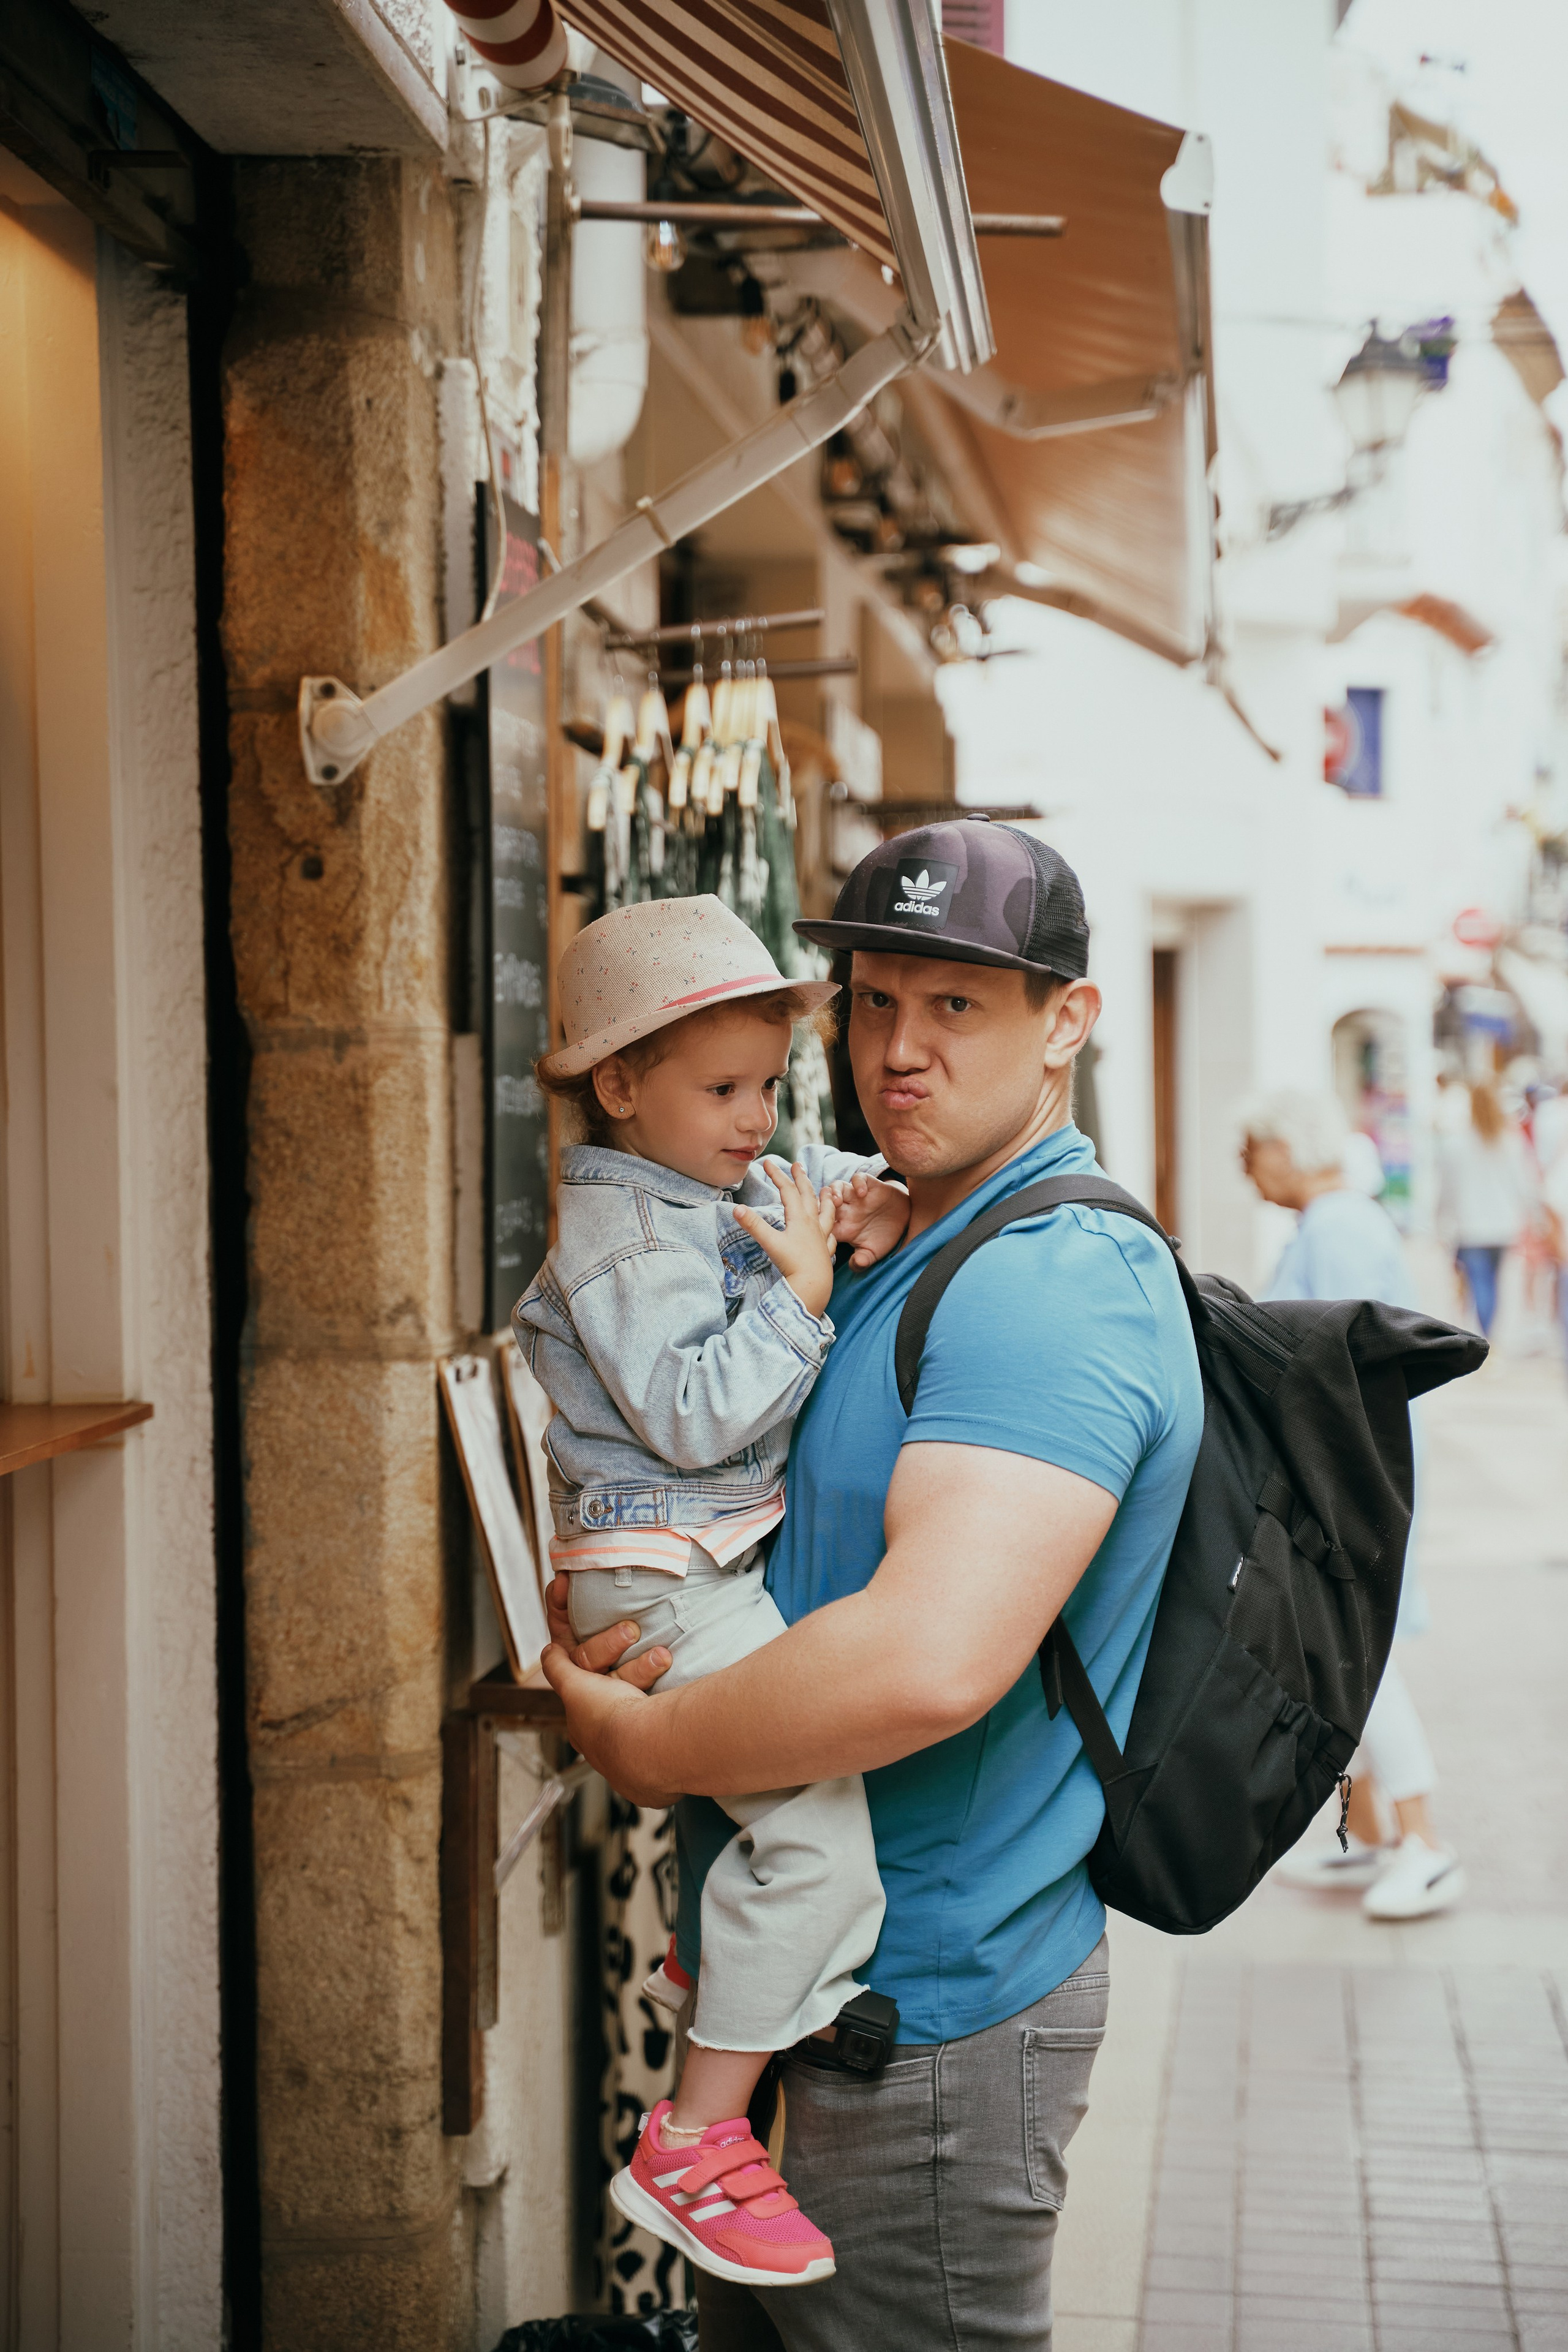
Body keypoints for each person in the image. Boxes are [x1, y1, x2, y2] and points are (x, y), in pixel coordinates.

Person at [542, 818, 1204, 2352]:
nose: (896, 1050)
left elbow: (925, 1662)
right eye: (872, 1000)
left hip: (926, 2023)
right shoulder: (918, 1218)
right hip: (822, 1996)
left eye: (955, 1005)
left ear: (1066, 1022)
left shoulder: (1047, 1283)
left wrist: (643, 1748)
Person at [516, 895, 914, 2291]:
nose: (756, 1118)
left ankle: (715, 1976)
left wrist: (861, 1202)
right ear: (618, 1083)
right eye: (722, 1088)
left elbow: (803, 1193)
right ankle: (693, 2134)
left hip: (698, 1566)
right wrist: (800, 1297)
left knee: (805, 1822)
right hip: (660, 1574)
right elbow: (690, 1412)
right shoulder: (610, 1229)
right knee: (818, 1850)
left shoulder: (689, 1185)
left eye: (766, 1083)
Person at [1238, 1088, 1464, 1921]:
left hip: (1350, 1470)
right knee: (1348, 1648)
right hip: (1358, 1464)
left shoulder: (1336, 1228)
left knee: (1363, 1656)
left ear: (1287, 1149)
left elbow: (1332, 1362)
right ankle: (1370, 1833)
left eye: (1251, 1150)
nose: (1244, 1169)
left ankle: (1421, 1839)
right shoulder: (1344, 1222)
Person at [1438, 1077, 1536, 1338]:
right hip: (1503, 1225)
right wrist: (1534, 1217)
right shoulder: (1510, 1141)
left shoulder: (1456, 1143)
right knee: (1492, 1282)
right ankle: (1490, 1334)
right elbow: (1525, 1185)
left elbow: (1446, 1190)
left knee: (1480, 1283)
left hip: (1470, 1226)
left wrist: (1440, 1222)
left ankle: (1487, 1335)